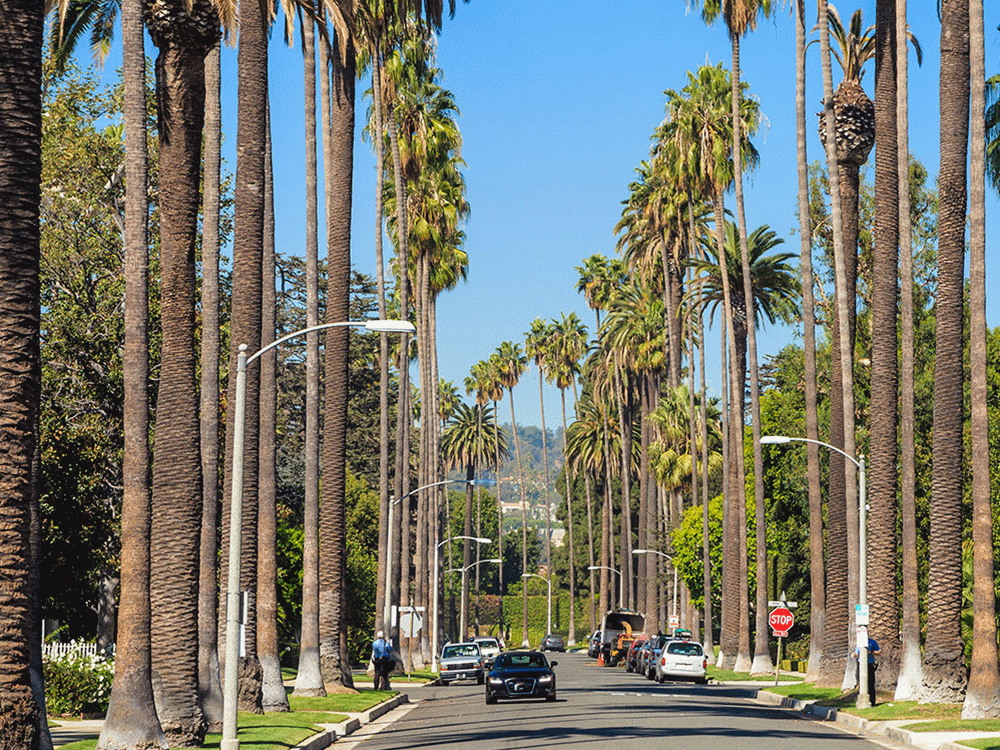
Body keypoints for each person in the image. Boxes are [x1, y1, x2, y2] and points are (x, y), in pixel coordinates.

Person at [853, 634, 880, 705]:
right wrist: (854, 655)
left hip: (870, 664)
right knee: (862, 683)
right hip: (861, 664)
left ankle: (872, 702)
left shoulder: (872, 642)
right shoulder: (859, 643)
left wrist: (871, 652)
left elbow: (878, 652)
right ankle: (862, 700)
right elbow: (857, 653)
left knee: (871, 683)